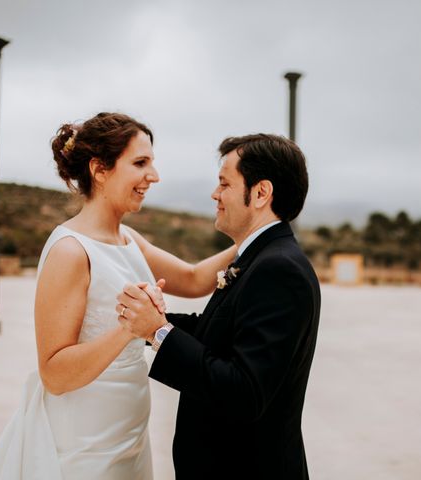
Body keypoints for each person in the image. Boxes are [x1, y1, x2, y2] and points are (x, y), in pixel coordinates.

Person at [0, 112, 236, 480]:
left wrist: (254, 236)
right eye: (141, 163)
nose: (154, 176)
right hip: (84, 440)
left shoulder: (129, 239)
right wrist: (129, 328)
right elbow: (54, 373)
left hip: (127, 433)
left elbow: (194, 279)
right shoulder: (71, 250)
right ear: (100, 170)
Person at [117, 133, 321, 480]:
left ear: (260, 193)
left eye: (224, 184)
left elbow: (244, 392)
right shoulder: (261, 257)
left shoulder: (279, 269)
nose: (215, 194)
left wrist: (158, 330)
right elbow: (221, 334)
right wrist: (152, 320)